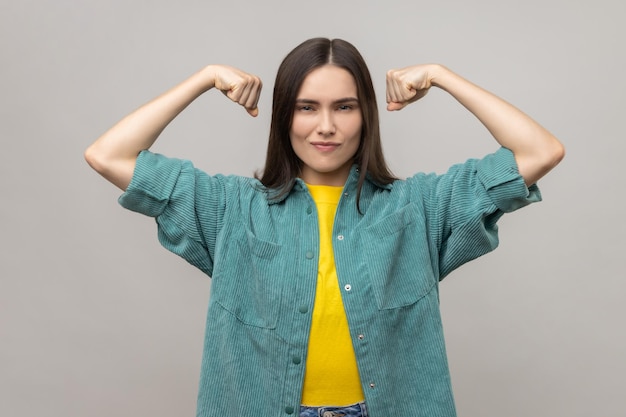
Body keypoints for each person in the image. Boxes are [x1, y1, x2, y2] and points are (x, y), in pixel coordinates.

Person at [85, 38, 564, 417]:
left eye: (345, 107)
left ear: (366, 116)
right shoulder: (230, 208)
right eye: (307, 107)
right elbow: (109, 156)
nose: (326, 126)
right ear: (283, 118)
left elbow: (539, 153)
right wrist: (204, 78)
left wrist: (442, 76)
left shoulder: (418, 208)